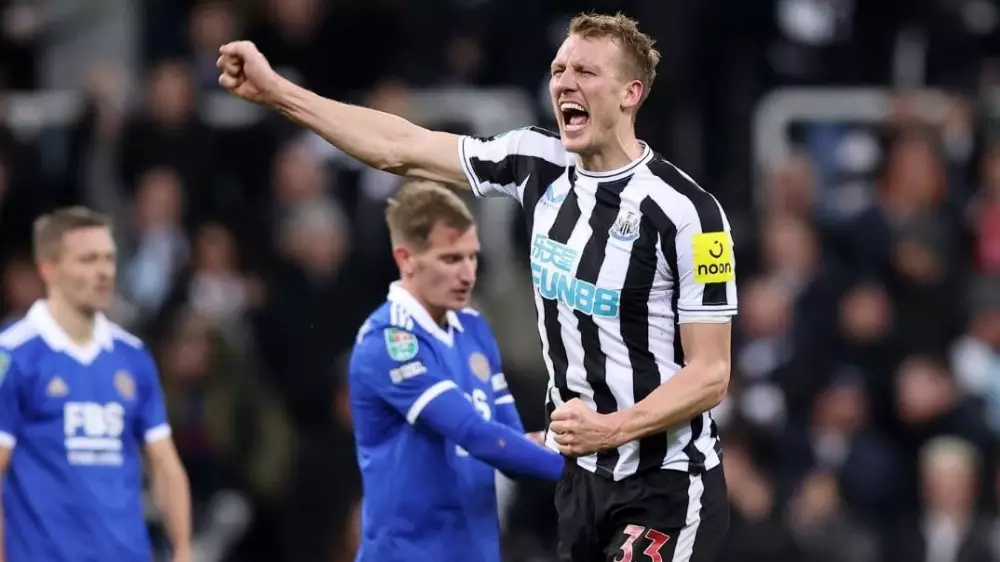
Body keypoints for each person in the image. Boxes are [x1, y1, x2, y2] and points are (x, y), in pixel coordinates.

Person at [219, 11, 735, 561]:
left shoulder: (690, 215)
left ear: (631, 93)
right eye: (559, 70)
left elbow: (711, 373)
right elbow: (400, 146)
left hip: (666, 486)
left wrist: (612, 429)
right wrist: (278, 93)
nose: (565, 82)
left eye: (585, 71)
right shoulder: (536, 162)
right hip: (581, 483)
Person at [347, 180, 563, 562]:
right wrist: (585, 472)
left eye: (472, 257)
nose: (467, 274)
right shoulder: (388, 342)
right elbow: (475, 434)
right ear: (406, 259)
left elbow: (509, 441)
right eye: (450, 259)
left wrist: (581, 447)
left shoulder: (473, 329)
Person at [0, 207, 191, 562]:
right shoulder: (12, 355)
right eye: (88, 260)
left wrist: (182, 550)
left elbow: (164, 462)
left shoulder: (132, 356)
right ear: (49, 269)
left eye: (108, 258)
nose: (104, 272)